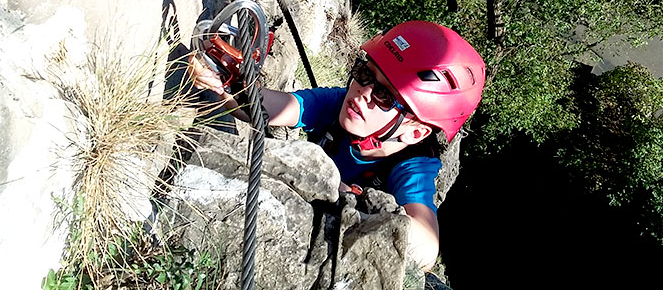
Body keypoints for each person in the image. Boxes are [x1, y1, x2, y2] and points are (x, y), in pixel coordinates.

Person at [189, 20, 486, 271]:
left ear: (415, 131)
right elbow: (278, 107)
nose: (361, 93)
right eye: (365, 73)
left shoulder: (411, 166)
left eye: (383, 95)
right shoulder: (339, 106)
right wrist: (225, 84)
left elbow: (426, 249)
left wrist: (358, 198)